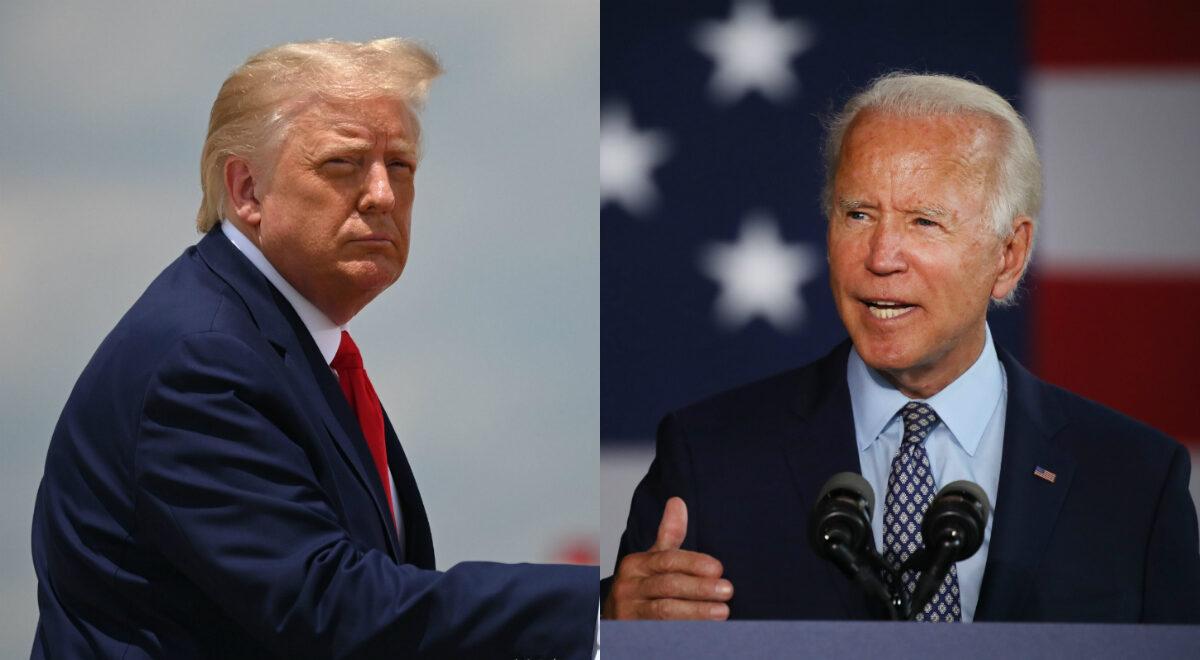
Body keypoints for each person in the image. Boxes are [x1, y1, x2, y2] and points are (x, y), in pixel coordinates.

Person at [31, 38, 597, 658]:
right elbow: (333, 607)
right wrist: (599, 610)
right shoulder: (201, 361)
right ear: (247, 189)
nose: (382, 193)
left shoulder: (277, 344)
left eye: (400, 166)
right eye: (343, 164)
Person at [603, 72, 1200, 623]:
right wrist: (614, 622)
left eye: (924, 222)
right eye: (858, 214)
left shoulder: (1134, 481)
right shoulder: (709, 457)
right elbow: (628, 625)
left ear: (1008, 256)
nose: (881, 258)